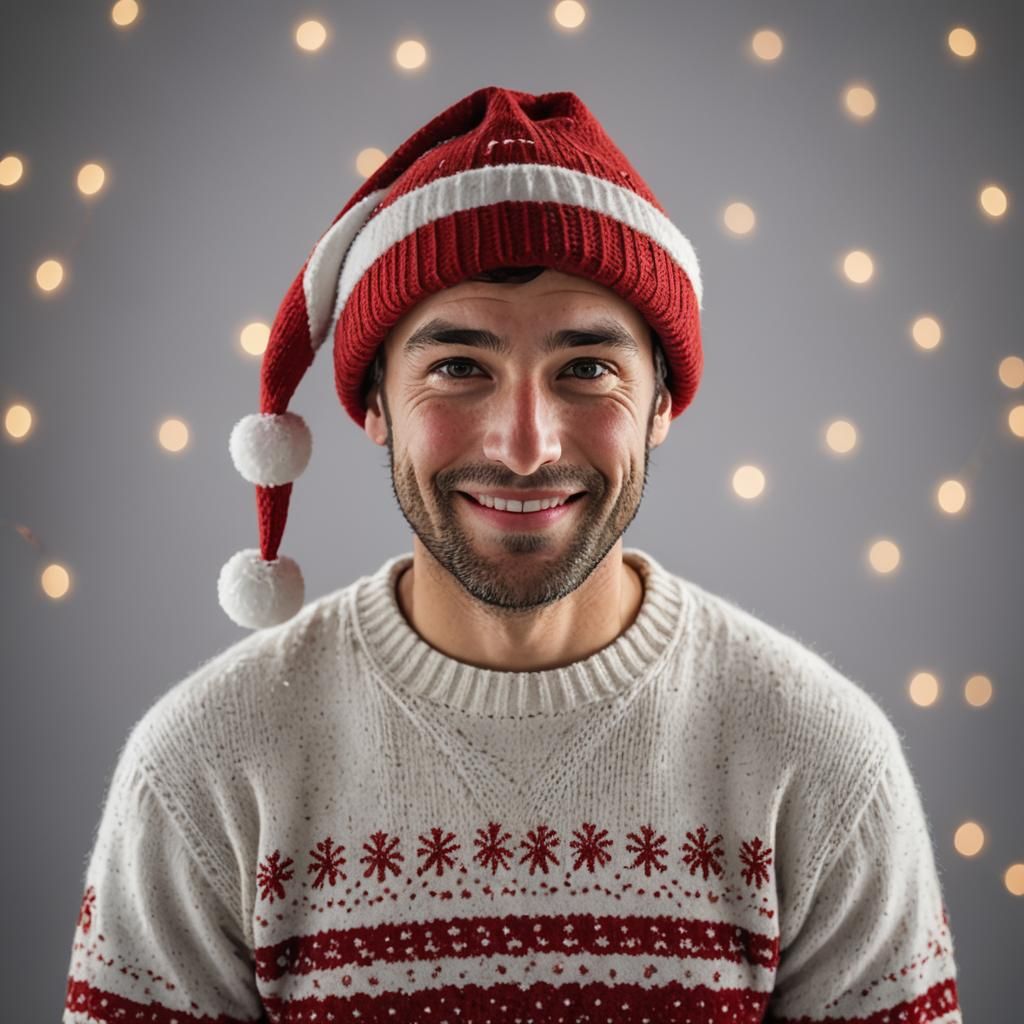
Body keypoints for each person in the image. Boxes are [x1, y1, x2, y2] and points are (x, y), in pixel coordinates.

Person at [63, 85, 962, 1023]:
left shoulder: (820, 760)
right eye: (459, 366)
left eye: (588, 369)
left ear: (661, 404)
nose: (525, 446)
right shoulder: (206, 768)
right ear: (373, 404)